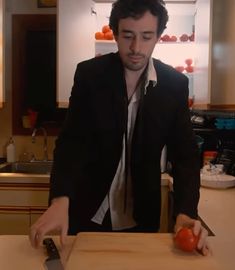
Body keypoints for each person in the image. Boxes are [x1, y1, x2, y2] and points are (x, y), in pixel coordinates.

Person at [29, 0, 209, 255]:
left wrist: (185, 211)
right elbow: (71, 144)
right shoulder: (90, 76)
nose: (136, 48)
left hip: (142, 216)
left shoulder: (174, 84)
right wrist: (60, 200)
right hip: (87, 211)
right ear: (114, 33)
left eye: (146, 37)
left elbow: (186, 156)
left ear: (158, 36)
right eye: (127, 36)